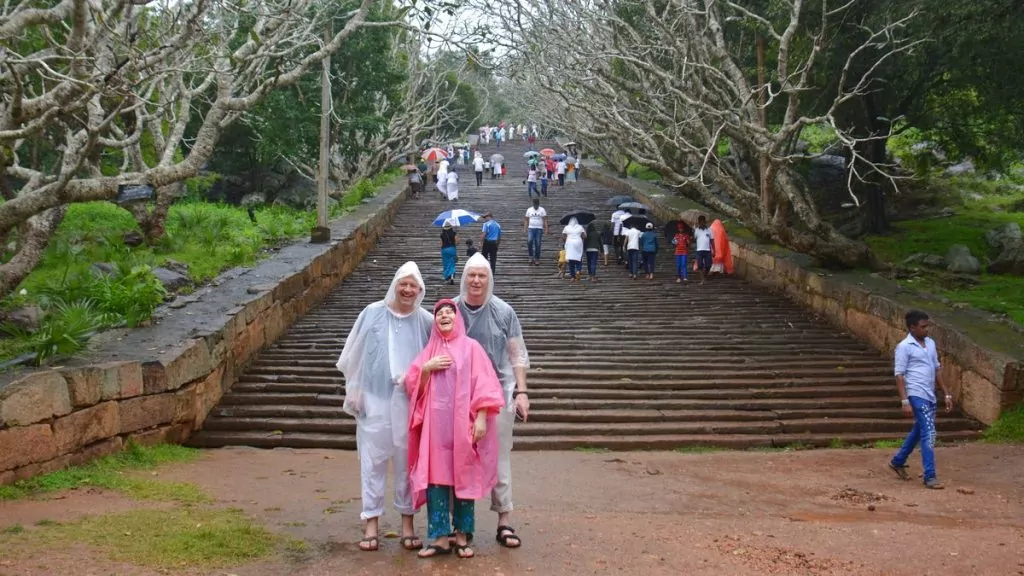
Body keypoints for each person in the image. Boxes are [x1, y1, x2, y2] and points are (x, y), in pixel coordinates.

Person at [336, 262, 432, 553]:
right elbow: (355, 352)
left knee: (407, 463)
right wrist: (355, 389)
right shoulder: (372, 313)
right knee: (372, 460)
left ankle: (407, 523)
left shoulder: (425, 320)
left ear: (420, 290)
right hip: (375, 399)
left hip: (409, 401)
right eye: (403, 283)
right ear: (394, 284)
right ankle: (371, 523)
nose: (407, 289)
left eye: (413, 285)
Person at [404, 299, 506, 559]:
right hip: (435, 429)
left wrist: (481, 417)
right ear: (435, 321)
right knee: (436, 479)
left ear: (457, 318)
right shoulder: (429, 351)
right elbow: (411, 383)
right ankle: (440, 538)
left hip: (463, 424)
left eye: (450, 311)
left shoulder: (472, 348)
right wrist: (426, 370)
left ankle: (461, 536)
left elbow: (485, 384)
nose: (444, 315)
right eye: (439, 313)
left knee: (464, 476)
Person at [455, 254, 531, 550]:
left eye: (481, 276)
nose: (476, 281)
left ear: (489, 279)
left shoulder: (503, 311)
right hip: (459, 397)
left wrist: (521, 391)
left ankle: (504, 520)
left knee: (499, 459)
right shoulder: (451, 310)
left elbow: (517, 353)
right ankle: (462, 523)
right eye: (471, 275)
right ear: (464, 278)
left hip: (498, 394)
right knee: (459, 460)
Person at [888, 310, 953, 490]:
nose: (927, 330)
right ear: (912, 328)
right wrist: (904, 401)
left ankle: (898, 460)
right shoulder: (904, 347)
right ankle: (930, 475)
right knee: (929, 432)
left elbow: (937, 369)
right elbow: (899, 375)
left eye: (927, 326)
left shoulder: (930, 344)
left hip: (929, 393)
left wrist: (946, 393)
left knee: (920, 429)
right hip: (915, 393)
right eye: (923, 327)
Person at [523, 198, 548, 266]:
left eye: (537, 205)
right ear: (533, 204)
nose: (535, 206)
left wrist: (546, 228)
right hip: (531, 228)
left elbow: (545, 219)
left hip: (539, 229)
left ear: (538, 204)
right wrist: (525, 228)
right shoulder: (529, 209)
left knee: (538, 243)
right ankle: (530, 256)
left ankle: (537, 258)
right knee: (529, 241)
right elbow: (526, 219)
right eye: (534, 205)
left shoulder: (542, 210)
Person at [562, 217, 586, 282]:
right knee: (578, 257)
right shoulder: (580, 227)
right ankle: (578, 270)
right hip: (578, 242)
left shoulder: (566, 227)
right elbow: (584, 236)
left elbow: (563, 236)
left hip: (569, 242)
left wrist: (566, 240)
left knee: (571, 260)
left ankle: (572, 277)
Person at [693, 215, 714, 285]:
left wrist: (714, 249)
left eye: (703, 222)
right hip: (699, 250)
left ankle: (704, 276)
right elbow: (694, 239)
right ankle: (702, 279)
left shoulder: (709, 230)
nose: (702, 223)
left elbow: (712, 240)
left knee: (709, 265)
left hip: (707, 250)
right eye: (700, 222)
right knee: (700, 265)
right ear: (699, 222)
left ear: (705, 222)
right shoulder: (696, 230)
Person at [440, 221, 459, 285]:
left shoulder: (442, 235)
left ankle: (447, 276)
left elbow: (440, 244)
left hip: (444, 250)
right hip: (452, 249)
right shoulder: (454, 233)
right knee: (452, 263)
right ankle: (452, 277)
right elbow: (457, 243)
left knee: (446, 263)